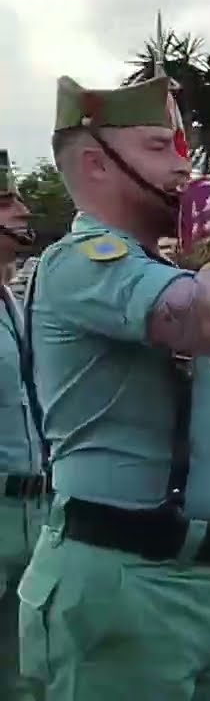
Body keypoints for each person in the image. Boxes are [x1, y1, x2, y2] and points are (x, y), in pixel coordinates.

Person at [22, 76, 210, 700]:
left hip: (184, 577)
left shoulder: (155, 267)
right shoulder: (83, 259)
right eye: (159, 148)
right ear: (96, 163)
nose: (184, 168)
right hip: (126, 578)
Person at [0, 148, 42, 701]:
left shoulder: (15, 297)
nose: (23, 209)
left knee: (29, 678)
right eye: (5, 200)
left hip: (33, 513)